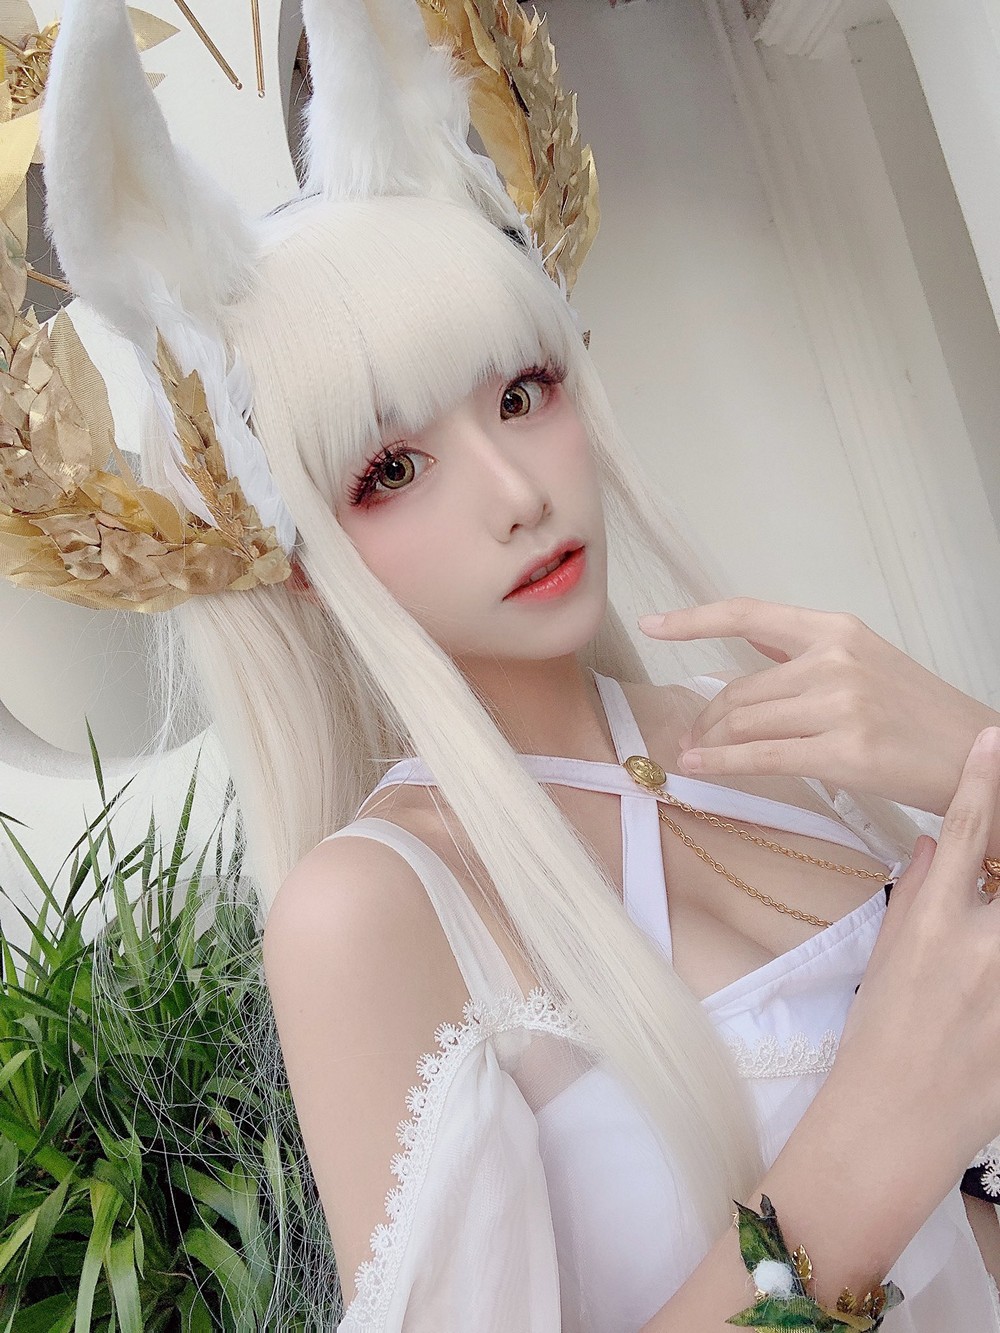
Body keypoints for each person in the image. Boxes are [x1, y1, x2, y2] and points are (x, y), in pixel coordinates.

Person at [9, 0, 1000, 1328]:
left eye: (520, 393)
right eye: (391, 467)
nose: (516, 493)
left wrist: (976, 756)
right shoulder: (371, 909)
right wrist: (876, 1141)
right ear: (296, 554)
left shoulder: (768, 729)